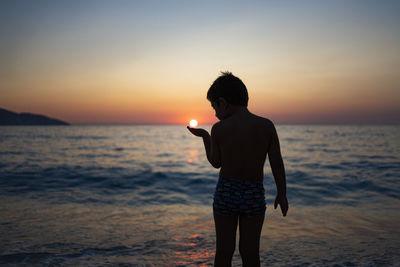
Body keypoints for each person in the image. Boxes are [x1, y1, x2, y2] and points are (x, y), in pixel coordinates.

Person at [187, 72, 288, 267]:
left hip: (227, 192)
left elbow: (216, 162)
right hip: (254, 193)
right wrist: (282, 193)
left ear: (223, 103)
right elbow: (277, 162)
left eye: (214, 107)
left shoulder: (219, 129)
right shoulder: (266, 126)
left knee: (224, 251)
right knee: (250, 252)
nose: (214, 113)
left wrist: (205, 137)